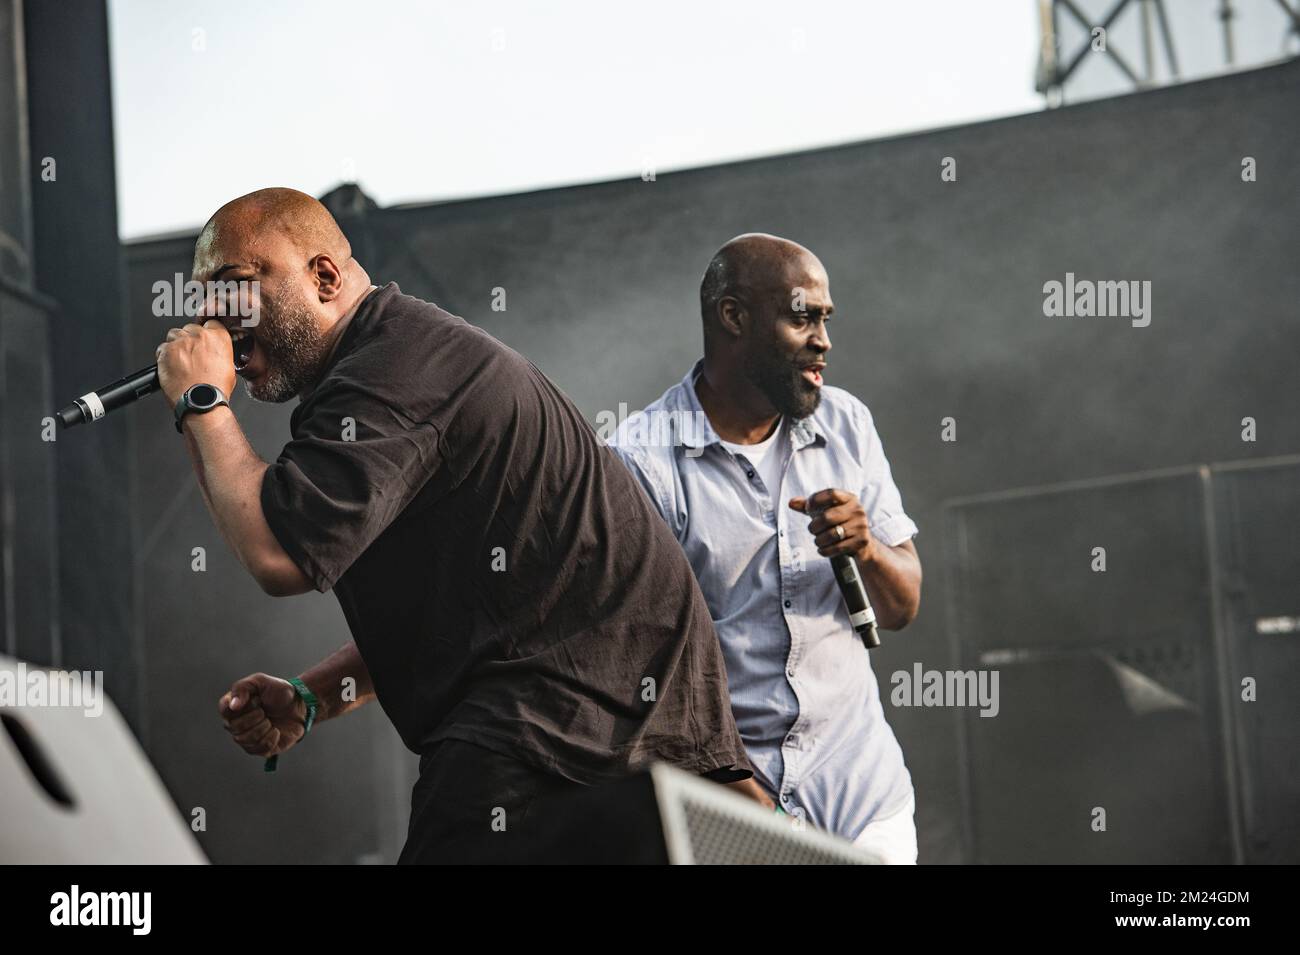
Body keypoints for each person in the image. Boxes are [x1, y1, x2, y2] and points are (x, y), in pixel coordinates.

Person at [154, 187, 755, 863]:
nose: (213, 317)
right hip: (630, 739)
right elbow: (480, 608)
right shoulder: (397, 359)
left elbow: (276, 555)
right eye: (201, 300)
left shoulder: (389, 372)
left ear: (323, 277)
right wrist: (313, 695)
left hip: (558, 740)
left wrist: (201, 401)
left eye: (233, 287)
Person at [609, 233, 923, 862]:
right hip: (737, 812)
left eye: (826, 321)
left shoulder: (846, 424)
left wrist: (867, 548)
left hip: (864, 799)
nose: (823, 341)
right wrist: (757, 812)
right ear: (734, 317)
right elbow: (636, 680)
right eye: (803, 316)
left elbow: (902, 604)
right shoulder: (639, 461)